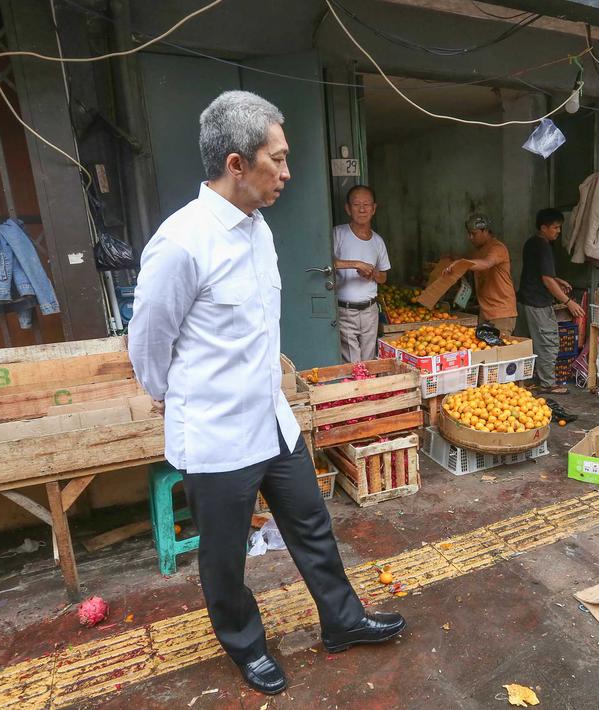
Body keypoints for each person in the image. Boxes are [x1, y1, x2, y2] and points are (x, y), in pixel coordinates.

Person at [128, 91, 404, 696]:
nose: (286, 172)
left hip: (272, 421)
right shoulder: (182, 243)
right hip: (217, 432)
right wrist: (171, 395)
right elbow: (147, 344)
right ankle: (246, 645)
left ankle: (343, 619)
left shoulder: (259, 228)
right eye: (276, 160)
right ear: (235, 164)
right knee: (224, 557)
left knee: (312, 525)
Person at [516, 208, 585, 394]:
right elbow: (546, 279)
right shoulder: (543, 246)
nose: (558, 231)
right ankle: (548, 384)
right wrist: (568, 301)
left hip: (525, 299)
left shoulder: (531, 243)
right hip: (537, 302)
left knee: (527, 342)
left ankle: (524, 381)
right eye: (555, 227)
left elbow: (539, 273)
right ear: (543, 227)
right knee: (548, 342)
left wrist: (557, 280)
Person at [332, 185, 390, 362]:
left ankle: (367, 388)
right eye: (357, 204)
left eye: (367, 204)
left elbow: (384, 277)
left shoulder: (378, 241)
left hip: (370, 311)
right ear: (348, 208)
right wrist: (355, 264)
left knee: (369, 360)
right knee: (352, 362)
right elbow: (327, 264)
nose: (362, 209)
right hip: (345, 310)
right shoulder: (338, 234)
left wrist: (372, 274)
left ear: (374, 208)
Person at [447, 214, 517, 334]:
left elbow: (486, 263)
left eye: (474, 234)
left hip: (501, 313)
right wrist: (451, 259)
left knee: (499, 349)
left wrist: (461, 263)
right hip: (485, 312)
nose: (470, 237)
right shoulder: (478, 251)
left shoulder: (497, 248)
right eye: (469, 234)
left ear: (485, 231)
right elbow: (471, 261)